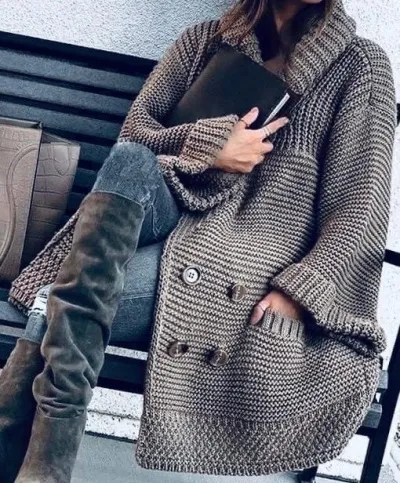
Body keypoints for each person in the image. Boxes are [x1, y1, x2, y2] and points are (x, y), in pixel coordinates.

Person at [0, 0, 397, 481]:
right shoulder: (204, 41)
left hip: (248, 260)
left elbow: (360, 209)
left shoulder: (360, 66)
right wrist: (212, 147)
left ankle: (39, 459)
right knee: (128, 160)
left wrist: (301, 290)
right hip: (164, 215)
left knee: (58, 301)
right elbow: (137, 135)